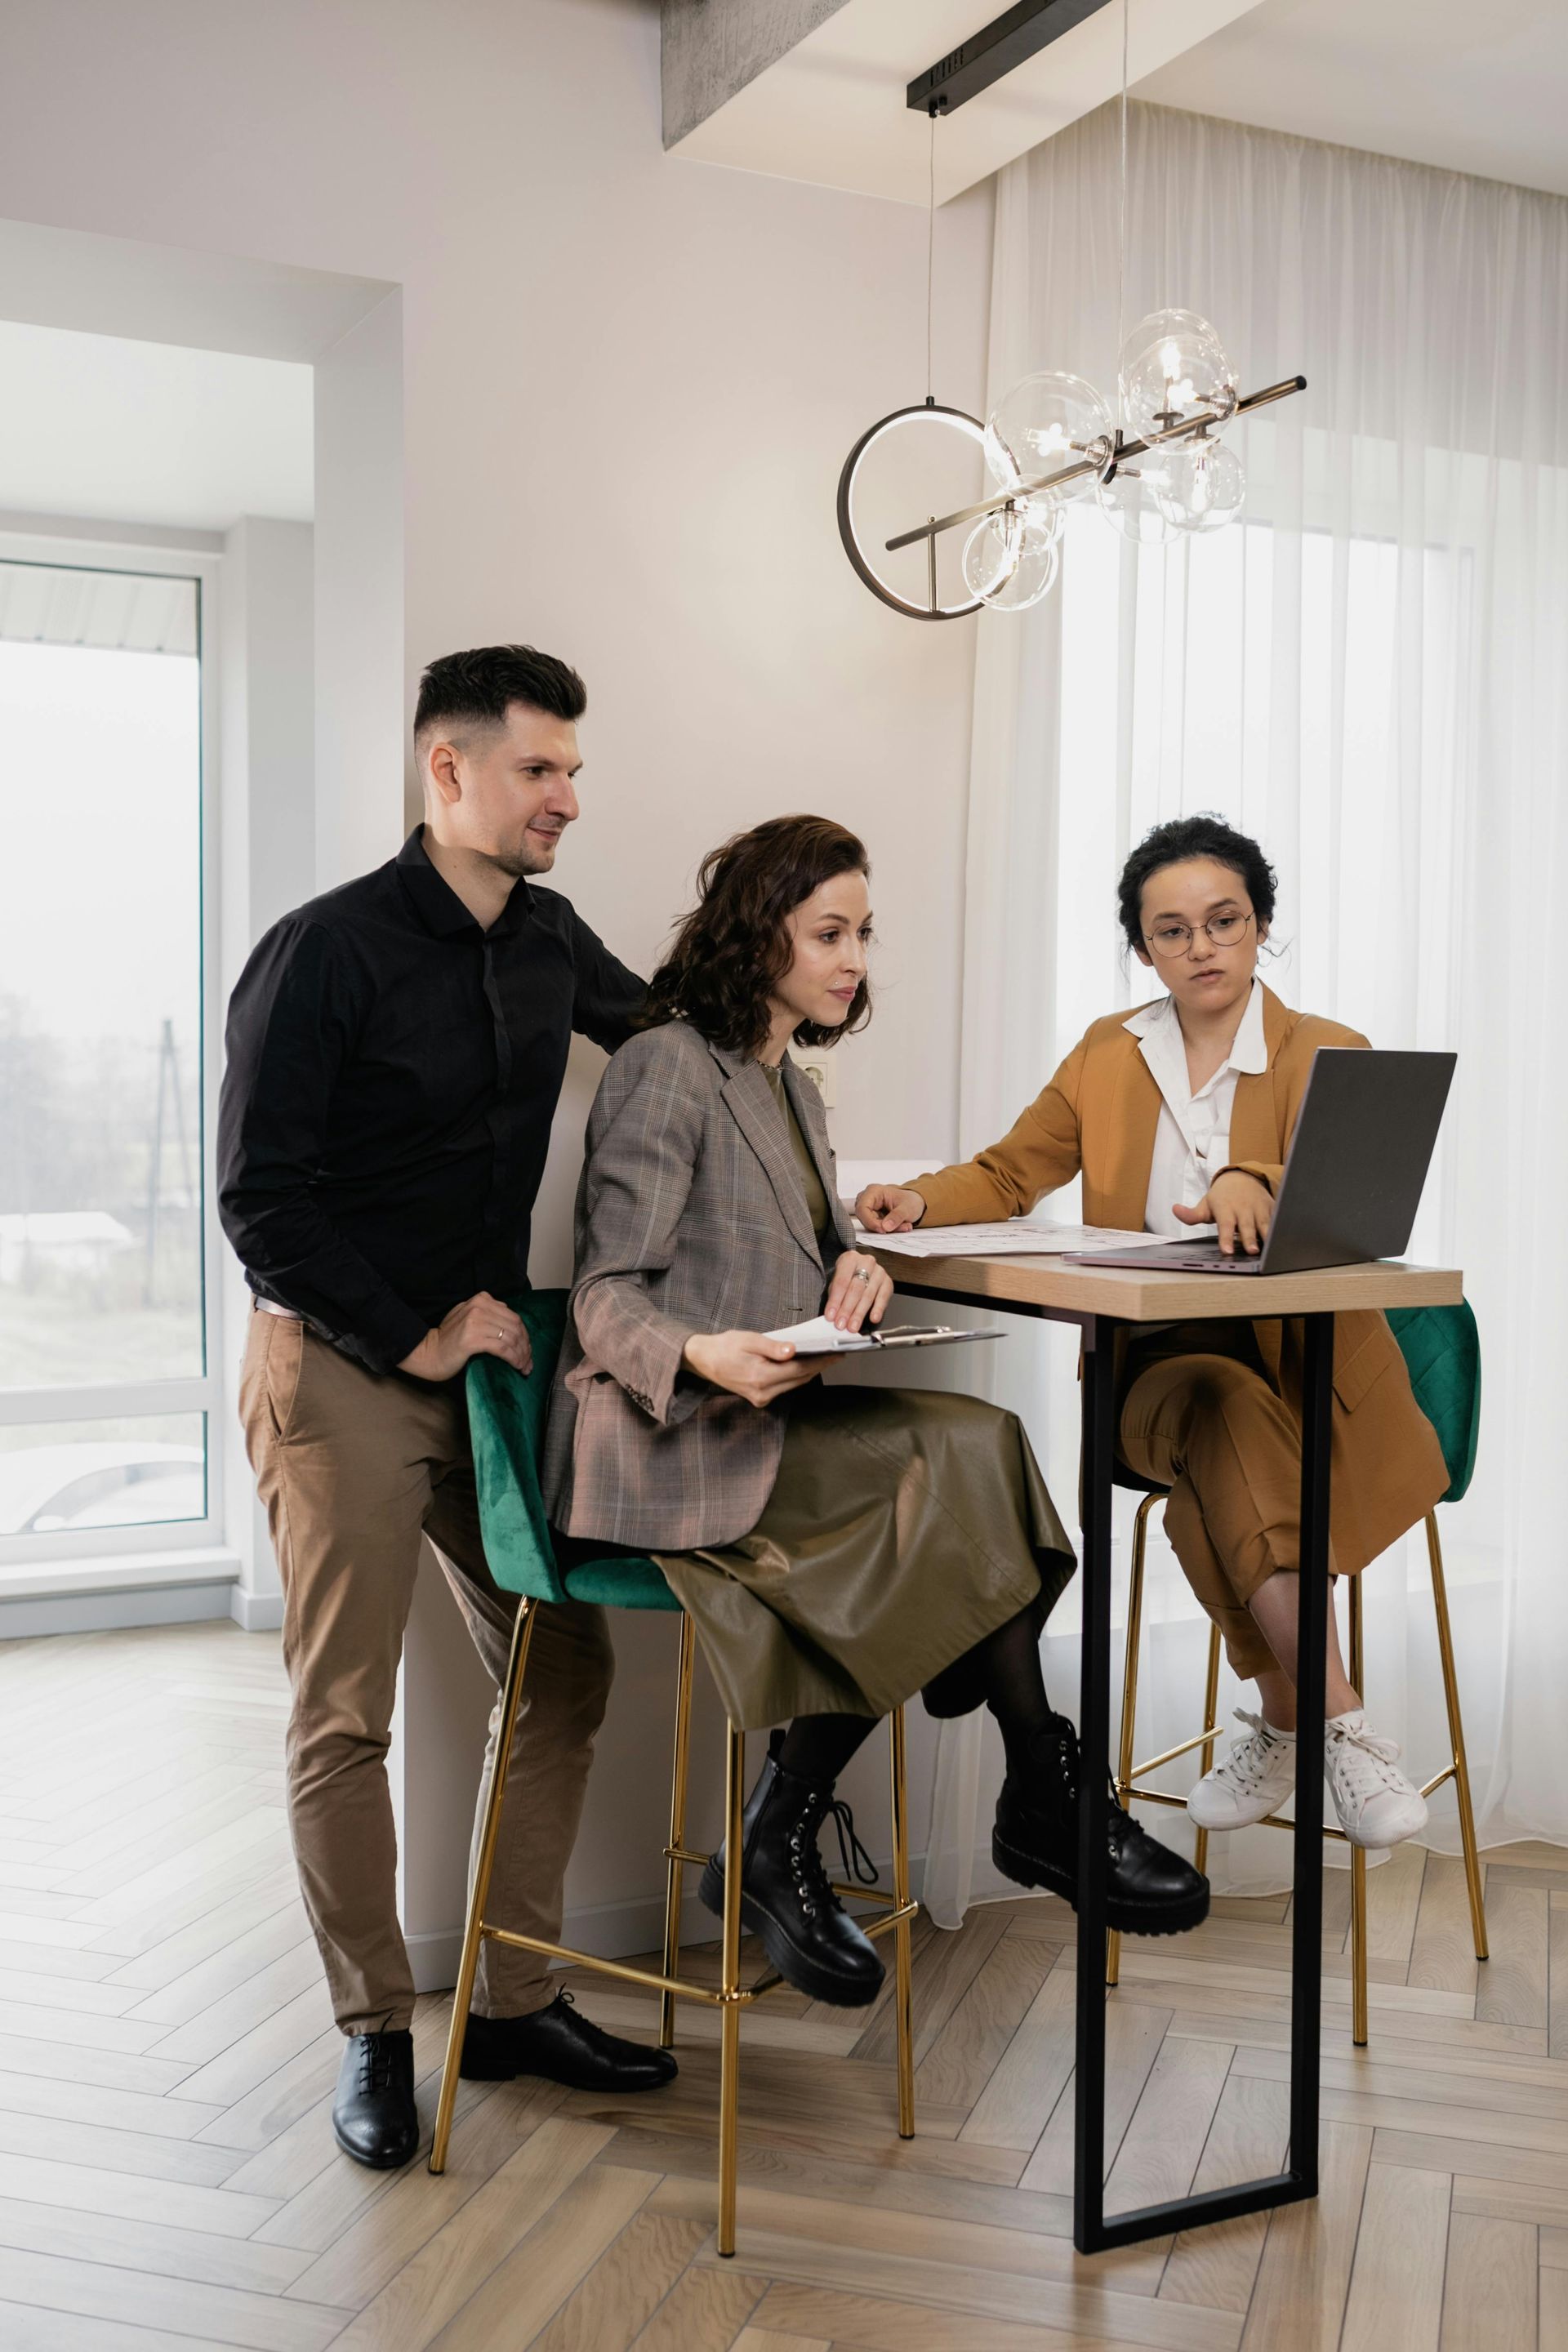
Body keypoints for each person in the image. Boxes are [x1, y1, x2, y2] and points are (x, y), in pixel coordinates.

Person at [543, 814, 1207, 2007]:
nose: (854, 958)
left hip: (760, 1419)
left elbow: (790, 1249)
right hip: (668, 1432)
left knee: (983, 1443)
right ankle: (1021, 1800)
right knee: (937, 1505)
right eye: (829, 932)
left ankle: (844, 1822)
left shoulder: (787, 1083)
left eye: (863, 933)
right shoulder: (668, 1063)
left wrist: (857, 1271)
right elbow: (606, 1293)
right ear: (762, 937)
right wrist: (700, 1352)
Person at [218, 644, 677, 2173]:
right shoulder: (325, 949)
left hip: (482, 1376)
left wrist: (815, 971)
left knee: (559, 1659)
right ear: (449, 770)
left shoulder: (548, 941)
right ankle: (374, 2033)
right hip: (341, 1368)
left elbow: (678, 1037)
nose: (565, 800)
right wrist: (412, 1334)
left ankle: (515, 1998)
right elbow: (258, 1198)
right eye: (540, 770)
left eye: (571, 773)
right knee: (344, 1714)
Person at [857, 813, 1446, 1853]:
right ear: (1143, 947)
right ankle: (1338, 1725)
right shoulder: (1106, 1053)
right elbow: (1006, 1173)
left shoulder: (1329, 1052)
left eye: (1224, 920)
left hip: (1310, 1381)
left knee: (1224, 1447)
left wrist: (1248, 1179)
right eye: (1171, 930)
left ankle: (1283, 1718)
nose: (1201, 946)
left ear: (1263, 926)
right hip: (1145, 1371)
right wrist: (915, 1197)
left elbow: (1349, 1195)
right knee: (1212, 1412)